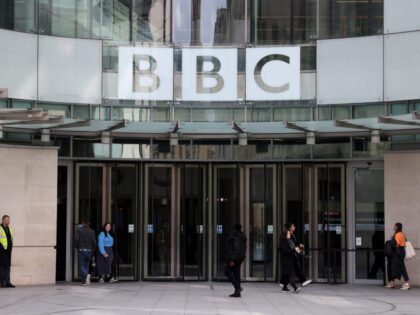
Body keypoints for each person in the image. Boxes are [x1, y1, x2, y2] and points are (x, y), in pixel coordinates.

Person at [285, 223, 312, 287]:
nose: (294, 227)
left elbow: (294, 243)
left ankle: (303, 281)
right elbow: (290, 245)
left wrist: (299, 245)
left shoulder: (293, 234)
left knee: (297, 268)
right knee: (294, 269)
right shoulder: (289, 235)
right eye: (293, 226)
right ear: (289, 228)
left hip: (293, 254)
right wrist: (297, 249)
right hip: (291, 254)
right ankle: (285, 283)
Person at [385, 223, 410, 290]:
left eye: (395, 226)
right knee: (394, 267)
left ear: (397, 227)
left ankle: (407, 283)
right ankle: (392, 282)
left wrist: (390, 243)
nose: (394, 227)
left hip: (398, 253)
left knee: (401, 267)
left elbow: (397, 244)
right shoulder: (402, 234)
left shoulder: (397, 234)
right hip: (401, 252)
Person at [225, 223, 247, 298]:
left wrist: (232, 259)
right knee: (236, 273)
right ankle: (237, 292)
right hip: (240, 258)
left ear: (234, 229)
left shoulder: (236, 237)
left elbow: (236, 249)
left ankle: (238, 287)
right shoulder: (242, 236)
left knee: (227, 272)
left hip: (235, 258)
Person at [74, 219, 96, 286]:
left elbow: (76, 239)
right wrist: (93, 249)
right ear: (89, 223)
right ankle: (84, 282)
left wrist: (76, 247)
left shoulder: (79, 230)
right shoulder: (92, 231)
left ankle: (86, 275)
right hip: (89, 251)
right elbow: (94, 241)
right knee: (86, 266)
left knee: (82, 265)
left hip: (82, 250)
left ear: (82, 223)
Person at [279, 228, 301, 293]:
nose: (289, 234)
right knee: (290, 275)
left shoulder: (289, 241)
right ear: (285, 234)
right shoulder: (283, 242)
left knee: (287, 275)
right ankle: (295, 287)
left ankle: (284, 287)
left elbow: (292, 248)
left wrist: (296, 250)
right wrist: (294, 250)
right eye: (288, 233)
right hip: (286, 261)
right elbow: (286, 251)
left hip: (290, 260)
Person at [0, 215, 15, 288]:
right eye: (7, 220)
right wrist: (1, 246)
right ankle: (2, 283)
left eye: (9, 220)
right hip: (2, 251)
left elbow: (10, 238)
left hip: (8, 250)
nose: (9, 221)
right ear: (3, 220)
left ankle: (8, 282)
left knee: (8, 266)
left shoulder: (9, 228)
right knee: (2, 266)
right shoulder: (0, 228)